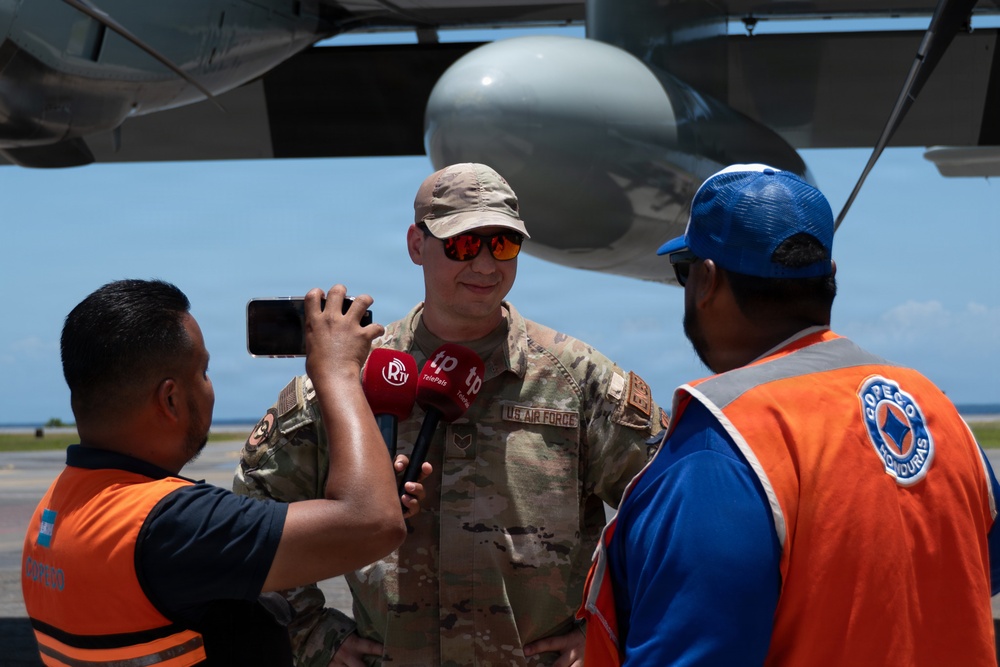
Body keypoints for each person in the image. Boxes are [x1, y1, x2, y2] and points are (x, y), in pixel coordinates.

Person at [233, 162, 668, 667]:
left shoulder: (578, 380)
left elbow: (674, 514)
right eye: (463, 244)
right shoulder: (349, 378)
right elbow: (253, 510)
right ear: (417, 245)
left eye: (503, 244)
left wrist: (612, 629)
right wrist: (312, 633)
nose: (486, 265)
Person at [579, 164, 1000, 666]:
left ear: (707, 282)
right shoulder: (935, 410)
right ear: (831, 278)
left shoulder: (721, 448)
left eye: (684, 272)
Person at [21, 279, 423, 666]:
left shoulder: (51, 515)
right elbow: (372, 522)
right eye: (203, 372)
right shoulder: (175, 526)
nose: (211, 388)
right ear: (171, 399)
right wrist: (338, 371)